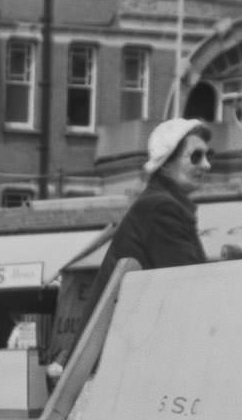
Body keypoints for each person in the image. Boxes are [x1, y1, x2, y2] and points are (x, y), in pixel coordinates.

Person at [49, 118, 212, 382]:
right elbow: (189, 287)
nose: (206, 165)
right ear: (167, 161)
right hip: (124, 367)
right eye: (196, 156)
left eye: (208, 155)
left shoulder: (160, 204)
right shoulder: (161, 209)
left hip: (123, 360)